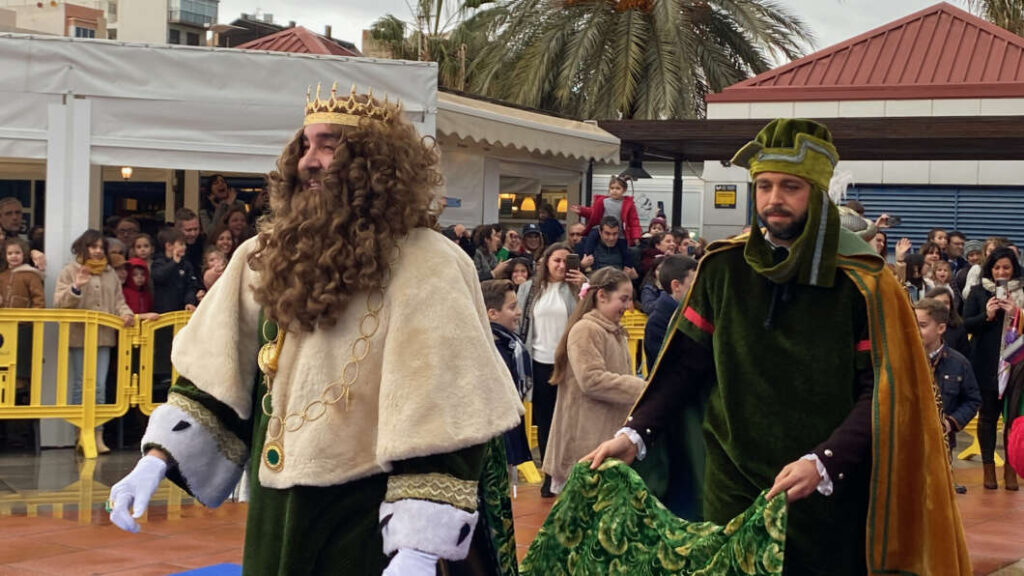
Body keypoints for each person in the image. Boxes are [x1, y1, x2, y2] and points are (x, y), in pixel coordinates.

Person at [108, 86, 523, 575]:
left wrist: (417, 548)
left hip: (368, 513)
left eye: (329, 146)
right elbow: (215, 374)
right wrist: (156, 458)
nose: (309, 160)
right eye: (305, 146)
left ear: (376, 164)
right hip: (274, 512)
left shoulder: (431, 264)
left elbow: (446, 413)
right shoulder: (262, 255)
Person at [579, 119, 969, 575]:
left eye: (790, 186)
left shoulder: (864, 282)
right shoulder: (723, 267)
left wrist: (824, 461)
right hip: (730, 482)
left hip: (824, 489)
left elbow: (884, 392)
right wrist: (635, 433)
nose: (773, 199)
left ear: (817, 193)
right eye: (763, 186)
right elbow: (685, 365)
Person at [543, 268, 644, 494]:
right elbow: (591, 380)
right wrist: (643, 388)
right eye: (623, 299)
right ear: (601, 296)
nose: (628, 306)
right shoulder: (586, 329)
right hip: (583, 443)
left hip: (602, 440)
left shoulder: (614, 332)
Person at [54, 229, 135, 455]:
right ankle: (81, 431)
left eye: (101, 247)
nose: (98, 251)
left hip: (104, 337)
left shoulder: (110, 273)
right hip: (79, 337)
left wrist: (126, 314)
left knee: (99, 386)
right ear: (83, 247)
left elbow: (119, 301)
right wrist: (76, 287)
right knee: (82, 384)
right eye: (93, 246)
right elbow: (59, 303)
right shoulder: (70, 271)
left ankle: (97, 433)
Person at [516, 242, 586, 497]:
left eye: (566, 261)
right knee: (545, 421)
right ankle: (549, 475)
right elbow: (520, 322)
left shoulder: (577, 288)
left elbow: (588, 314)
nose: (561, 265)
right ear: (546, 261)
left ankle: (570, 473)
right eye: (557, 260)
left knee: (568, 421)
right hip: (538, 361)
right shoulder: (529, 288)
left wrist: (584, 287)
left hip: (567, 363)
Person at [963, 246, 1024, 490]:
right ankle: (988, 469)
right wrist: (986, 316)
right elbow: (966, 324)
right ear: (990, 269)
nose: (1001, 272)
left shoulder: (1022, 291)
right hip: (986, 364)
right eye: (997, 267)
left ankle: (1011, 470)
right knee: (987, 417)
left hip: (1016, 365)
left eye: (1006, 268)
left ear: (1014, 269)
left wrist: (1017, 313)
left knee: (1013, 418)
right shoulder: (978, 292)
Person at [913, 298, 981, 490]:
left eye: (922, 325)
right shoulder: (902, 361)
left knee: (938, 493)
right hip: (906, 442)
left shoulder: (959, 363)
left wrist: (950, 423)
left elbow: (973, 400)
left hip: (941, 445)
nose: (915, 330)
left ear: (941, 328)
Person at [482, 279, 532, 470]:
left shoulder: (510, 345)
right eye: (512, 307)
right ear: (492, 314)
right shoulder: (493, 348)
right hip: (495, 436)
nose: (519, 312)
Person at [643, 255, 697, 373]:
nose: (698, 289)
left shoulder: (691, 313)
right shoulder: (657, 322)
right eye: (694, 284)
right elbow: (668, 366)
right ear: (676, 286)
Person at [571, 175, 641, 246]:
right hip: (603, 233)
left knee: (623, 250)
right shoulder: (602, 201)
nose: (614, 191)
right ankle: (587, 252)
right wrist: (582, 211)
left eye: (618, 188)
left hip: (620, 234)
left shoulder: (628, 204)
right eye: (612, 188)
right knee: (591, 239)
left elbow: (634, 222)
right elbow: (593, 213)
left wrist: (636, 237)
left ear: (624, 190)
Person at [150, 228, 201, 313]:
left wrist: (189, 302)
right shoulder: (158, 262)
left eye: (184, 244)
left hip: (182, 310)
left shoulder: (186, 264)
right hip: (164, 311)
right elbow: (158, 276)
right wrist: (173, 263)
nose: (184, 247)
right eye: (181, 244)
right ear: (169, 246)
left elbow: (191, 286)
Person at [926, 287, 970, 358]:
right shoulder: (921, 326)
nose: (942, 306)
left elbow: (965, 355)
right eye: (937, 303)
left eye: (946, 303)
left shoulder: (958, 328)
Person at [0, 237, 44, 308]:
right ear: (5, 256)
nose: (13, 256)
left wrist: (35, 313)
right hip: (3, 315)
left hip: (24, 314)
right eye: (10, 253)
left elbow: (39, 299)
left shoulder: (31, 275)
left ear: (24, 254)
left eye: (17, 253)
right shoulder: (2, 275)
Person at [175, 208, 205, 273]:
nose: (193, 234)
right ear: (178, 230)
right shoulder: (170, 247)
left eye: (196, 229)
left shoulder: (203, 242)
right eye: (188, 230)